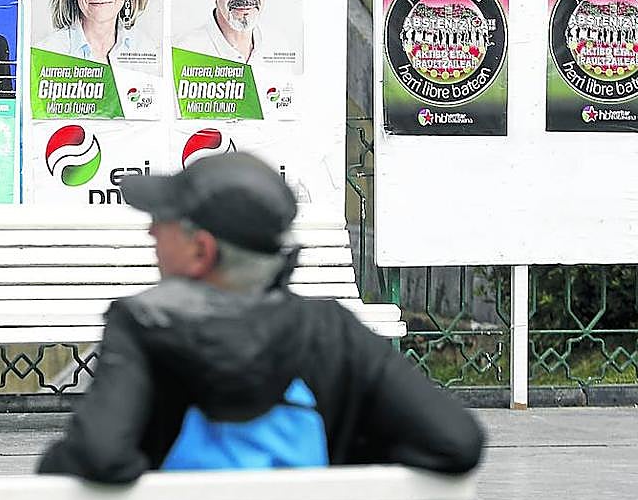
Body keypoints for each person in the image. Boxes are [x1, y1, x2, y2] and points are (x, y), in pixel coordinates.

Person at [37, 152, 484, 482]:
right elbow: (456, 441)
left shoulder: (145, 327)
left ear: (201, 250)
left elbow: (99, 455)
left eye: (165, 219)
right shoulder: (332, 331)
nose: (152, 229)